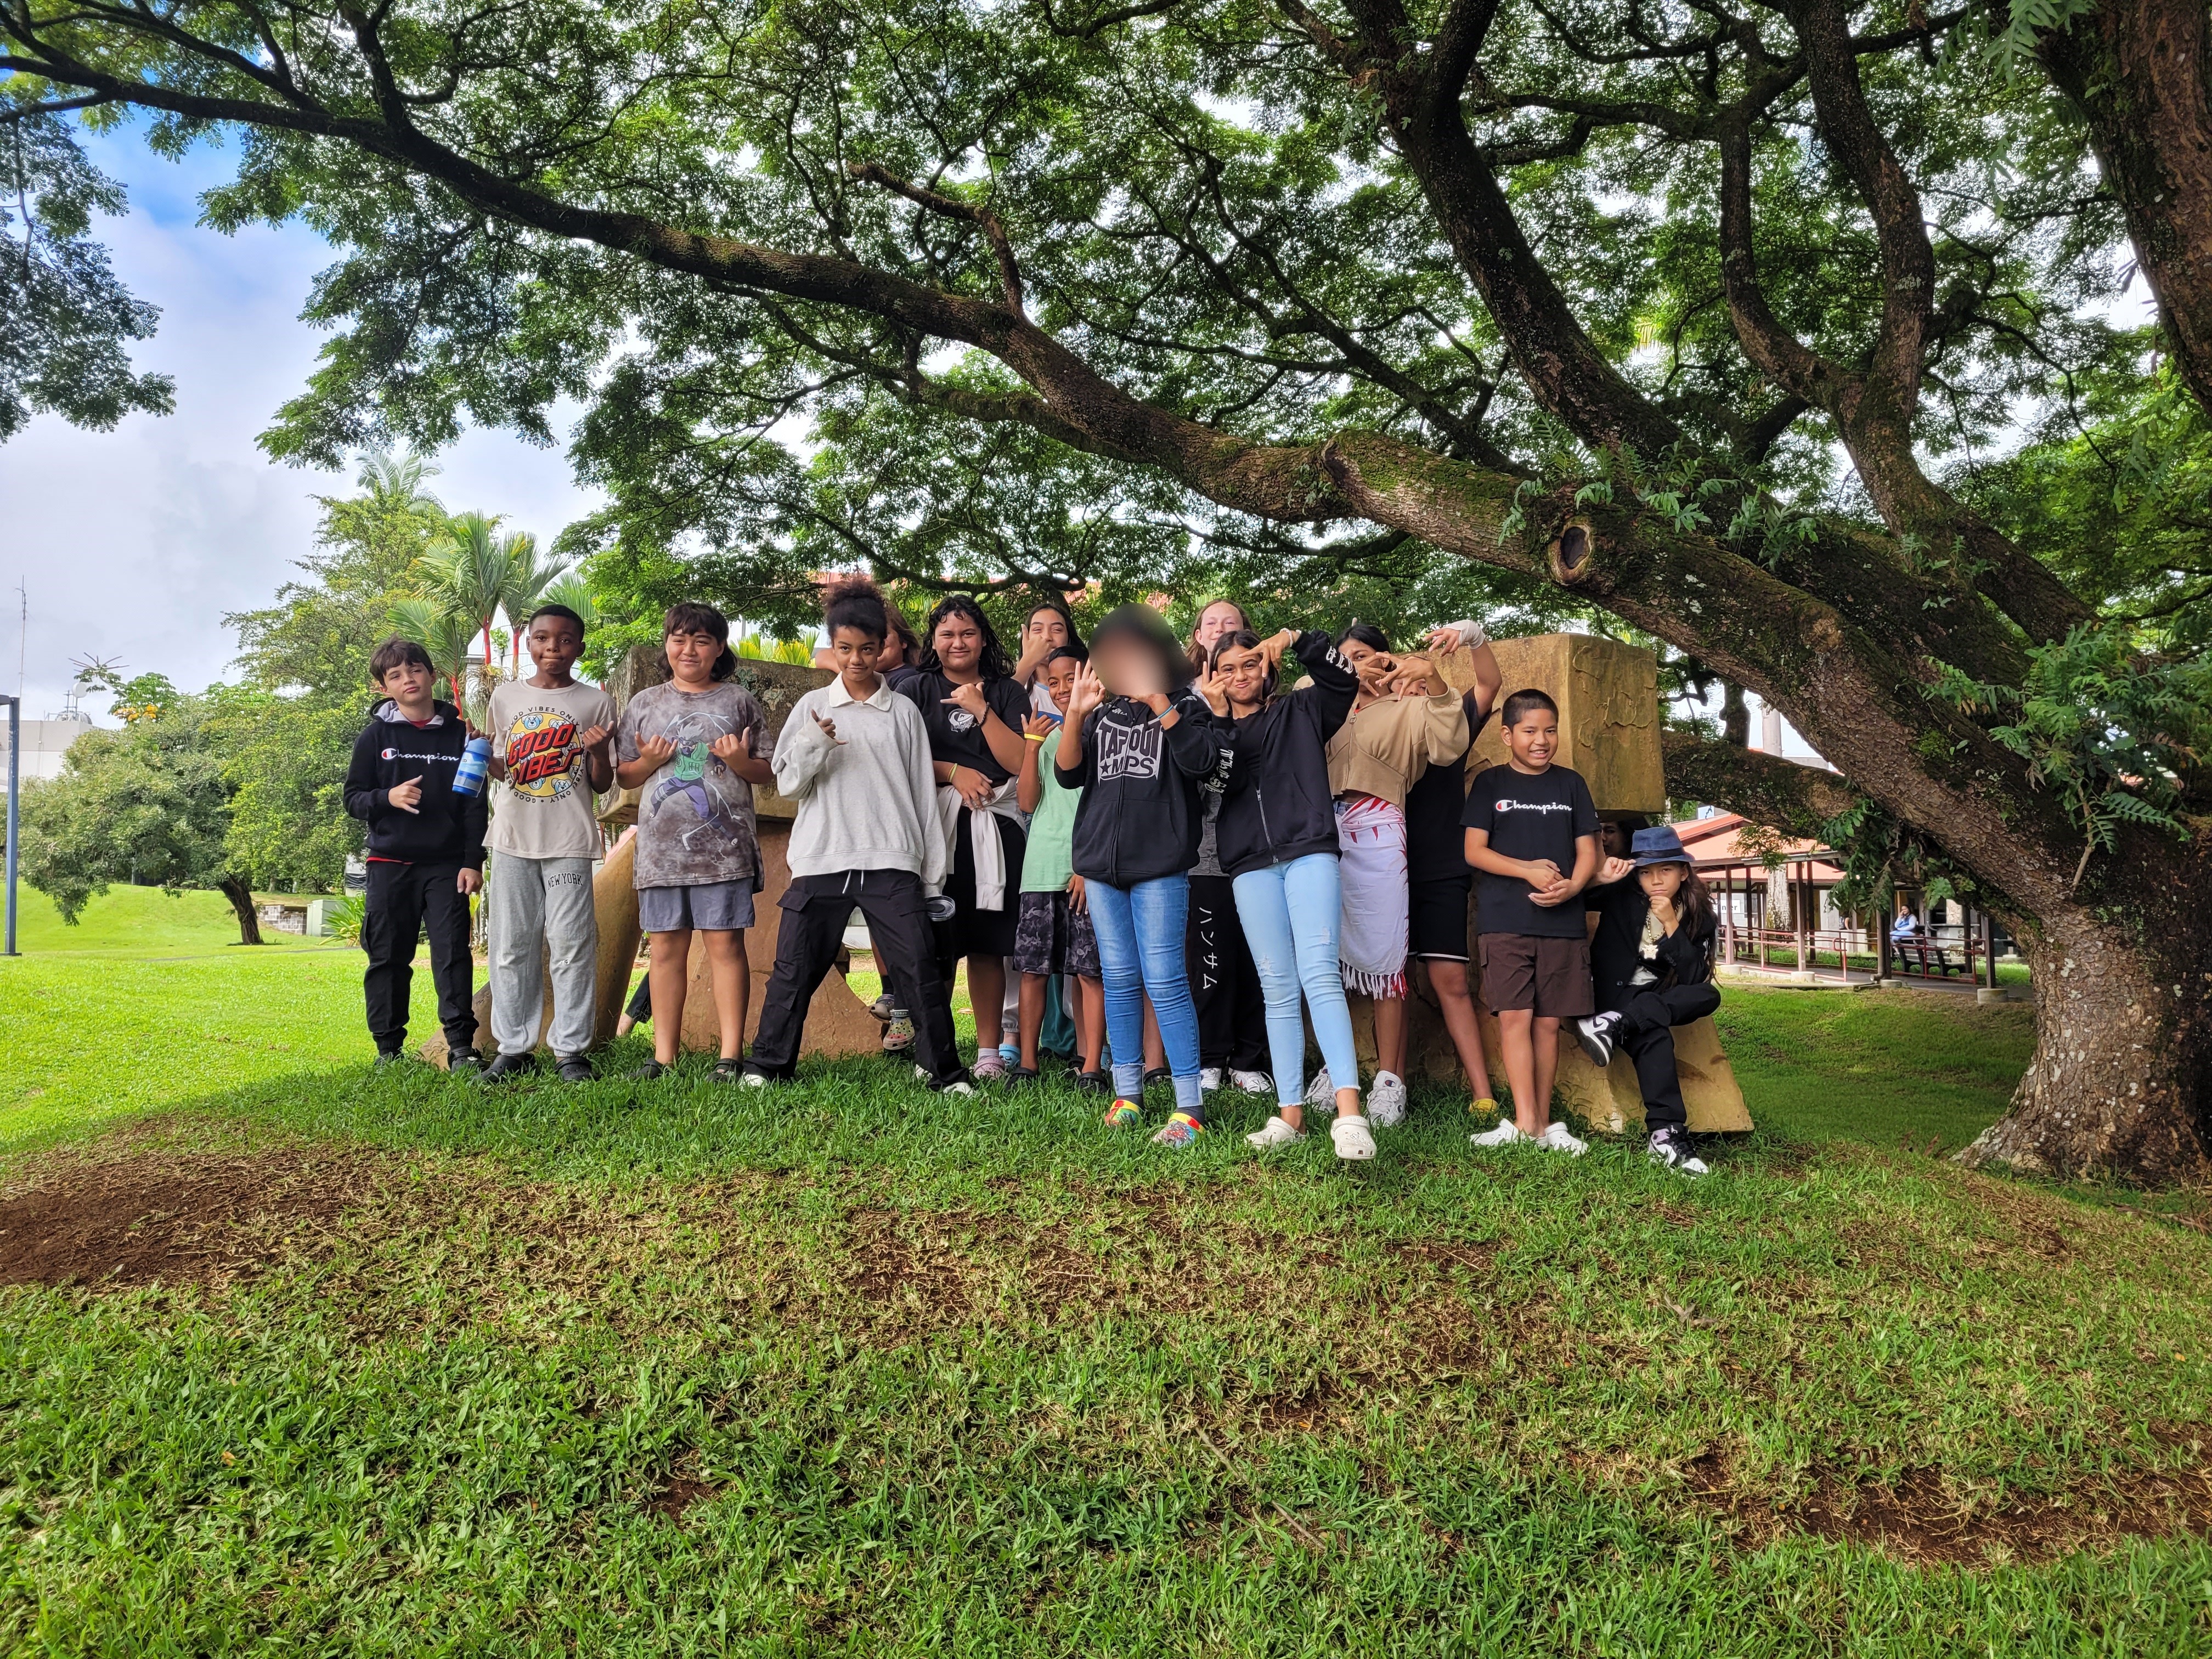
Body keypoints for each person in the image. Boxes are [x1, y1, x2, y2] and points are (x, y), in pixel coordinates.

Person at [743, 579, 972, 1093]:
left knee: (919, 970)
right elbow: (789, 784)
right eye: (845, 649)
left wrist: (932, 880)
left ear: (884, 647)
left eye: (868, 649)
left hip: (893, 860)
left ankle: (944, 1072)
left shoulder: (904, 712)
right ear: (833, 647)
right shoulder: (811, 709)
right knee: (793, 971)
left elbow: (920, 796)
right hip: (821, 860)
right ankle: (768, 1065)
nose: (856, 660)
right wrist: (812, 743)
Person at [1056, 604, 1226, 1146]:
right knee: (1120, 980)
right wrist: (1077, 716)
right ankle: (1127, 1095)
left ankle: (1188, 1106)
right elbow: (1066, 775)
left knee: (1166, 980)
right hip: (1102, 869)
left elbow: (1202, 764)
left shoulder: (1187, 707)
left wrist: (1160, 703)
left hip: (1160, 866)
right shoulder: (1100, 712)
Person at [1205, 625, 1375, 1160]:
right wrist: (1212, 721)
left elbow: (1342, 680)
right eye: (1227, 668)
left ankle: (1350, 1114)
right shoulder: (1211, 732)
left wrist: (1301, 638)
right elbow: (1212, 779)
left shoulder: (1301, 710)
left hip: (1308, 850)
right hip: (1250, 864)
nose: (1240, 676)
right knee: (1277, 986)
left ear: (1267, 666)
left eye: (1249, 664)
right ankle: (1290, 1114)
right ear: (1215, 677)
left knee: (1319, 973)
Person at [1316, 624, 1469, 1126]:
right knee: (1324, 955)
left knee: (1385, 962)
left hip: (1380, 828)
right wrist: (1338, 676)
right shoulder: (1321, 699)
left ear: (1387, 657)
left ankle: (1389, 1081)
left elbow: (1450, 744)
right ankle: (1335, 1070)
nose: (1354, 665)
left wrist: (1436, 681)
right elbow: (1297, 693)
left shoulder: (1410, 707)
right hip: (1321, 832)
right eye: (1344, 658)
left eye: (1363, 655)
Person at [613, 603, 774, 1080]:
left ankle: (730, 1056)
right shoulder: (645, 703)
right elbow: (624, 774)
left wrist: (739, 761)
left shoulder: (739, 702)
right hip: (661, 853)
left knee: (725, 945)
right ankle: (664, 1057)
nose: (690, 649)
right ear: (667, 644)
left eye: (702, 640)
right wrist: (648, 762)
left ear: (719, 648)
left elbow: (766, 770)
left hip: (724, 854)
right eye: (680, 639)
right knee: (664, 950)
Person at [890, 596, 1032, 1079]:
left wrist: (981, 709)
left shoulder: (1008, 693)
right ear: (933, 640)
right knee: (937, 944)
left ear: (984, 639)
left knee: (989, 945)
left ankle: (989, 1053)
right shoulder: (914, 689)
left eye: (968, 633)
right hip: (935, 830)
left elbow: (1018, 763)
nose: (957, 642)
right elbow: (895, 756)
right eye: (947, 634)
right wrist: (953, 771)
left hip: (996, 828)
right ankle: (937, 1049)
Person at [479, 604, 617, 1083]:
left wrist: (598, 751)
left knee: (572, 944)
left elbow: (601, 783)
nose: (551, 649)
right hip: (513, 840)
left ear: (580, 647)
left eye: (563, 640)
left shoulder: (596, 703)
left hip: (569, 842)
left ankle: (571, 1051)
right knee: (511, 946)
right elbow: (503, 769)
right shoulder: (505, 697)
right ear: (529, 642)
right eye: (541, 639)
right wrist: (480, 752)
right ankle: (513, 1048)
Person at [1463, 688, 1600, 1155]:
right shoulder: (1491, 785)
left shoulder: (1572, 785)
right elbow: (1473, 851)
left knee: (1547, 1024)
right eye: (1530, 731)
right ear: (1507, 735)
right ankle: (1524, 1123)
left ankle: (1542, 1124)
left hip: (1563, 924)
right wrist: (1526, 869)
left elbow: (1589, 852)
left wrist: (1574, 886)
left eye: (1550, 731)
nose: (1541, 740)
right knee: (1515, 1019)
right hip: (1504, 922)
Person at [343, 636, 486, 1072]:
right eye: (396, 675)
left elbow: (474, 805)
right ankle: (388, 1051)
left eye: (415, 670)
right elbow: (353, 798)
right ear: (383, 687)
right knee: (387, 957)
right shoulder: (376, 736)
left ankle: (461, 1046)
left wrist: (471, 861)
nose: (408, 680)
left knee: (452, 954)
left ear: (432, 675)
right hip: (389, 863)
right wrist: (388, 797)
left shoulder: (462, 733)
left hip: (446, 865)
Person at [1575, 826, 1720, 1175]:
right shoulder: (1622, 892)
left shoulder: (1699, 915)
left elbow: (1692, 977)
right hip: (1612, 991)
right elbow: (1571, 901)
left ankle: (1614, 1024)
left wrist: (1671, 923)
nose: (1655, 880)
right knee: (1654, 1034)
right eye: (1646, 872)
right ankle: (1666, 1135)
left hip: (1648, 1001)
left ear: (1684, 872)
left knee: (1707, 994)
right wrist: (1597, 878)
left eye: (1666, 870)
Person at [1409, 618, 1505, 1116]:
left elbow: (1489, 685)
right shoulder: (1363, 725)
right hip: (1379, 869)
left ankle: (1483, 1094)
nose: (1405, 683)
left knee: (1449, 981)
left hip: (1442, 868)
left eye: (1414, 675)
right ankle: (1388, 1085)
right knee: (1386, 982)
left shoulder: (1450, 721)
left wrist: (1473, 636)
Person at [1012, 646, 1107, 1085]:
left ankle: (1090, 1067)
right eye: (1055, 681)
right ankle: (1027, 1063)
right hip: (1041, 869)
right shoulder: (1048, 735)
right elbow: (1028, 802)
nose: (1064, 688)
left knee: (1089, 971)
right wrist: (1031, 745)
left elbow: (1105, 809)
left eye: (1072, 677)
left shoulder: (1106, 729)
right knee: (1033, 970)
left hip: (1087, 869)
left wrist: (1090, 866)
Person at [1013, 599, 1081, 715]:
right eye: (1038, 630)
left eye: (1057, 630)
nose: (1047, 637)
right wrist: (1028, 661)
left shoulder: (1084, 689)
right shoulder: (1015, 685)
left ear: (1069, 638)